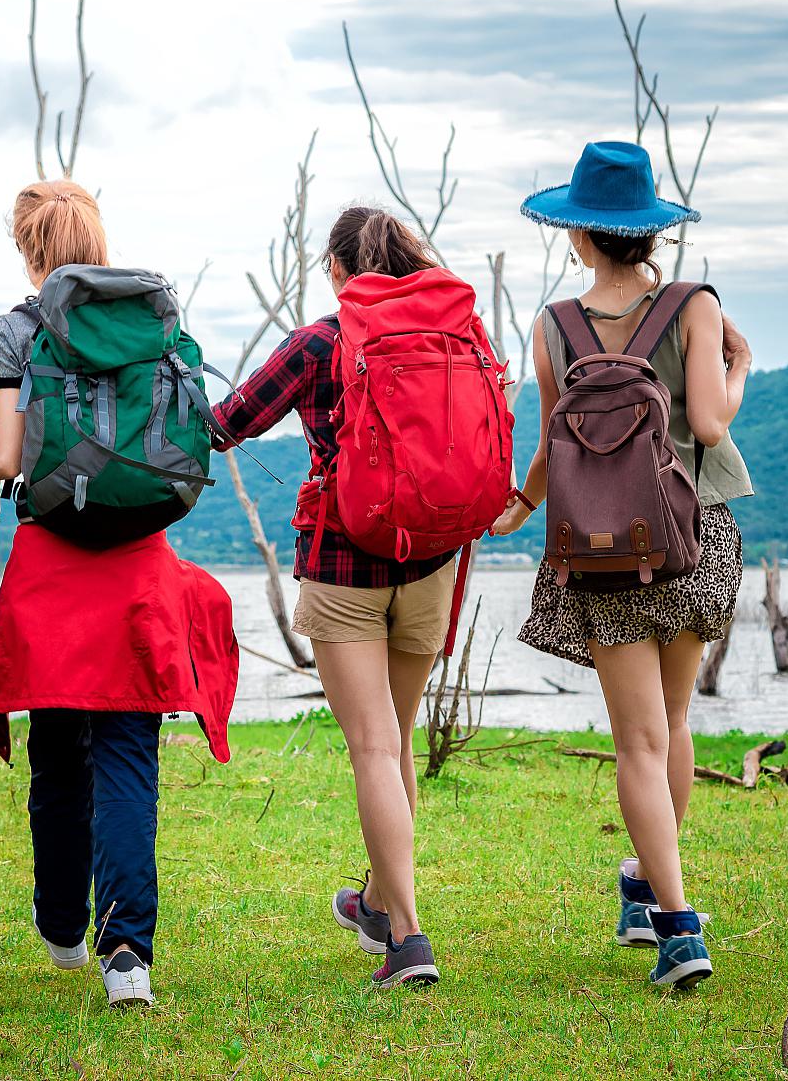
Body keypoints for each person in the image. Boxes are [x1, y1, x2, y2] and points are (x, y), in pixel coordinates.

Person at [0, 180, 238, 1009]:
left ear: (30, 247)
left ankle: (61, 923)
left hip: (54, 563)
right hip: (142, 562)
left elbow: (6, 461)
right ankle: (128, 956)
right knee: (128, 755)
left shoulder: (19, 327)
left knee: (59, 750)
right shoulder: (156, 320)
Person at [489, 140, 754, 989]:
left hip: (601, 549)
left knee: (637, 740)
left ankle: (663, 909)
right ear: (652, 233)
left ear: (578, 237)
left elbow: (547, 451)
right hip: (694, 538)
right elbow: (711, 426)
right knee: (672, 725)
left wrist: (521, 508)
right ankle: (660, 902)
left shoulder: (551, 326)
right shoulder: (695, 306)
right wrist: (737, 368)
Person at [210, 205, 455, 990]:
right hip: (434, 559)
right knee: (398, 738)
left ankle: (409, 938)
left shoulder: (322, 340)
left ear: (340, 270)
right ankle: (378, 903)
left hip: (345, 559)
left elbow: (229, 423)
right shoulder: (451, 336)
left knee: (375, 748)